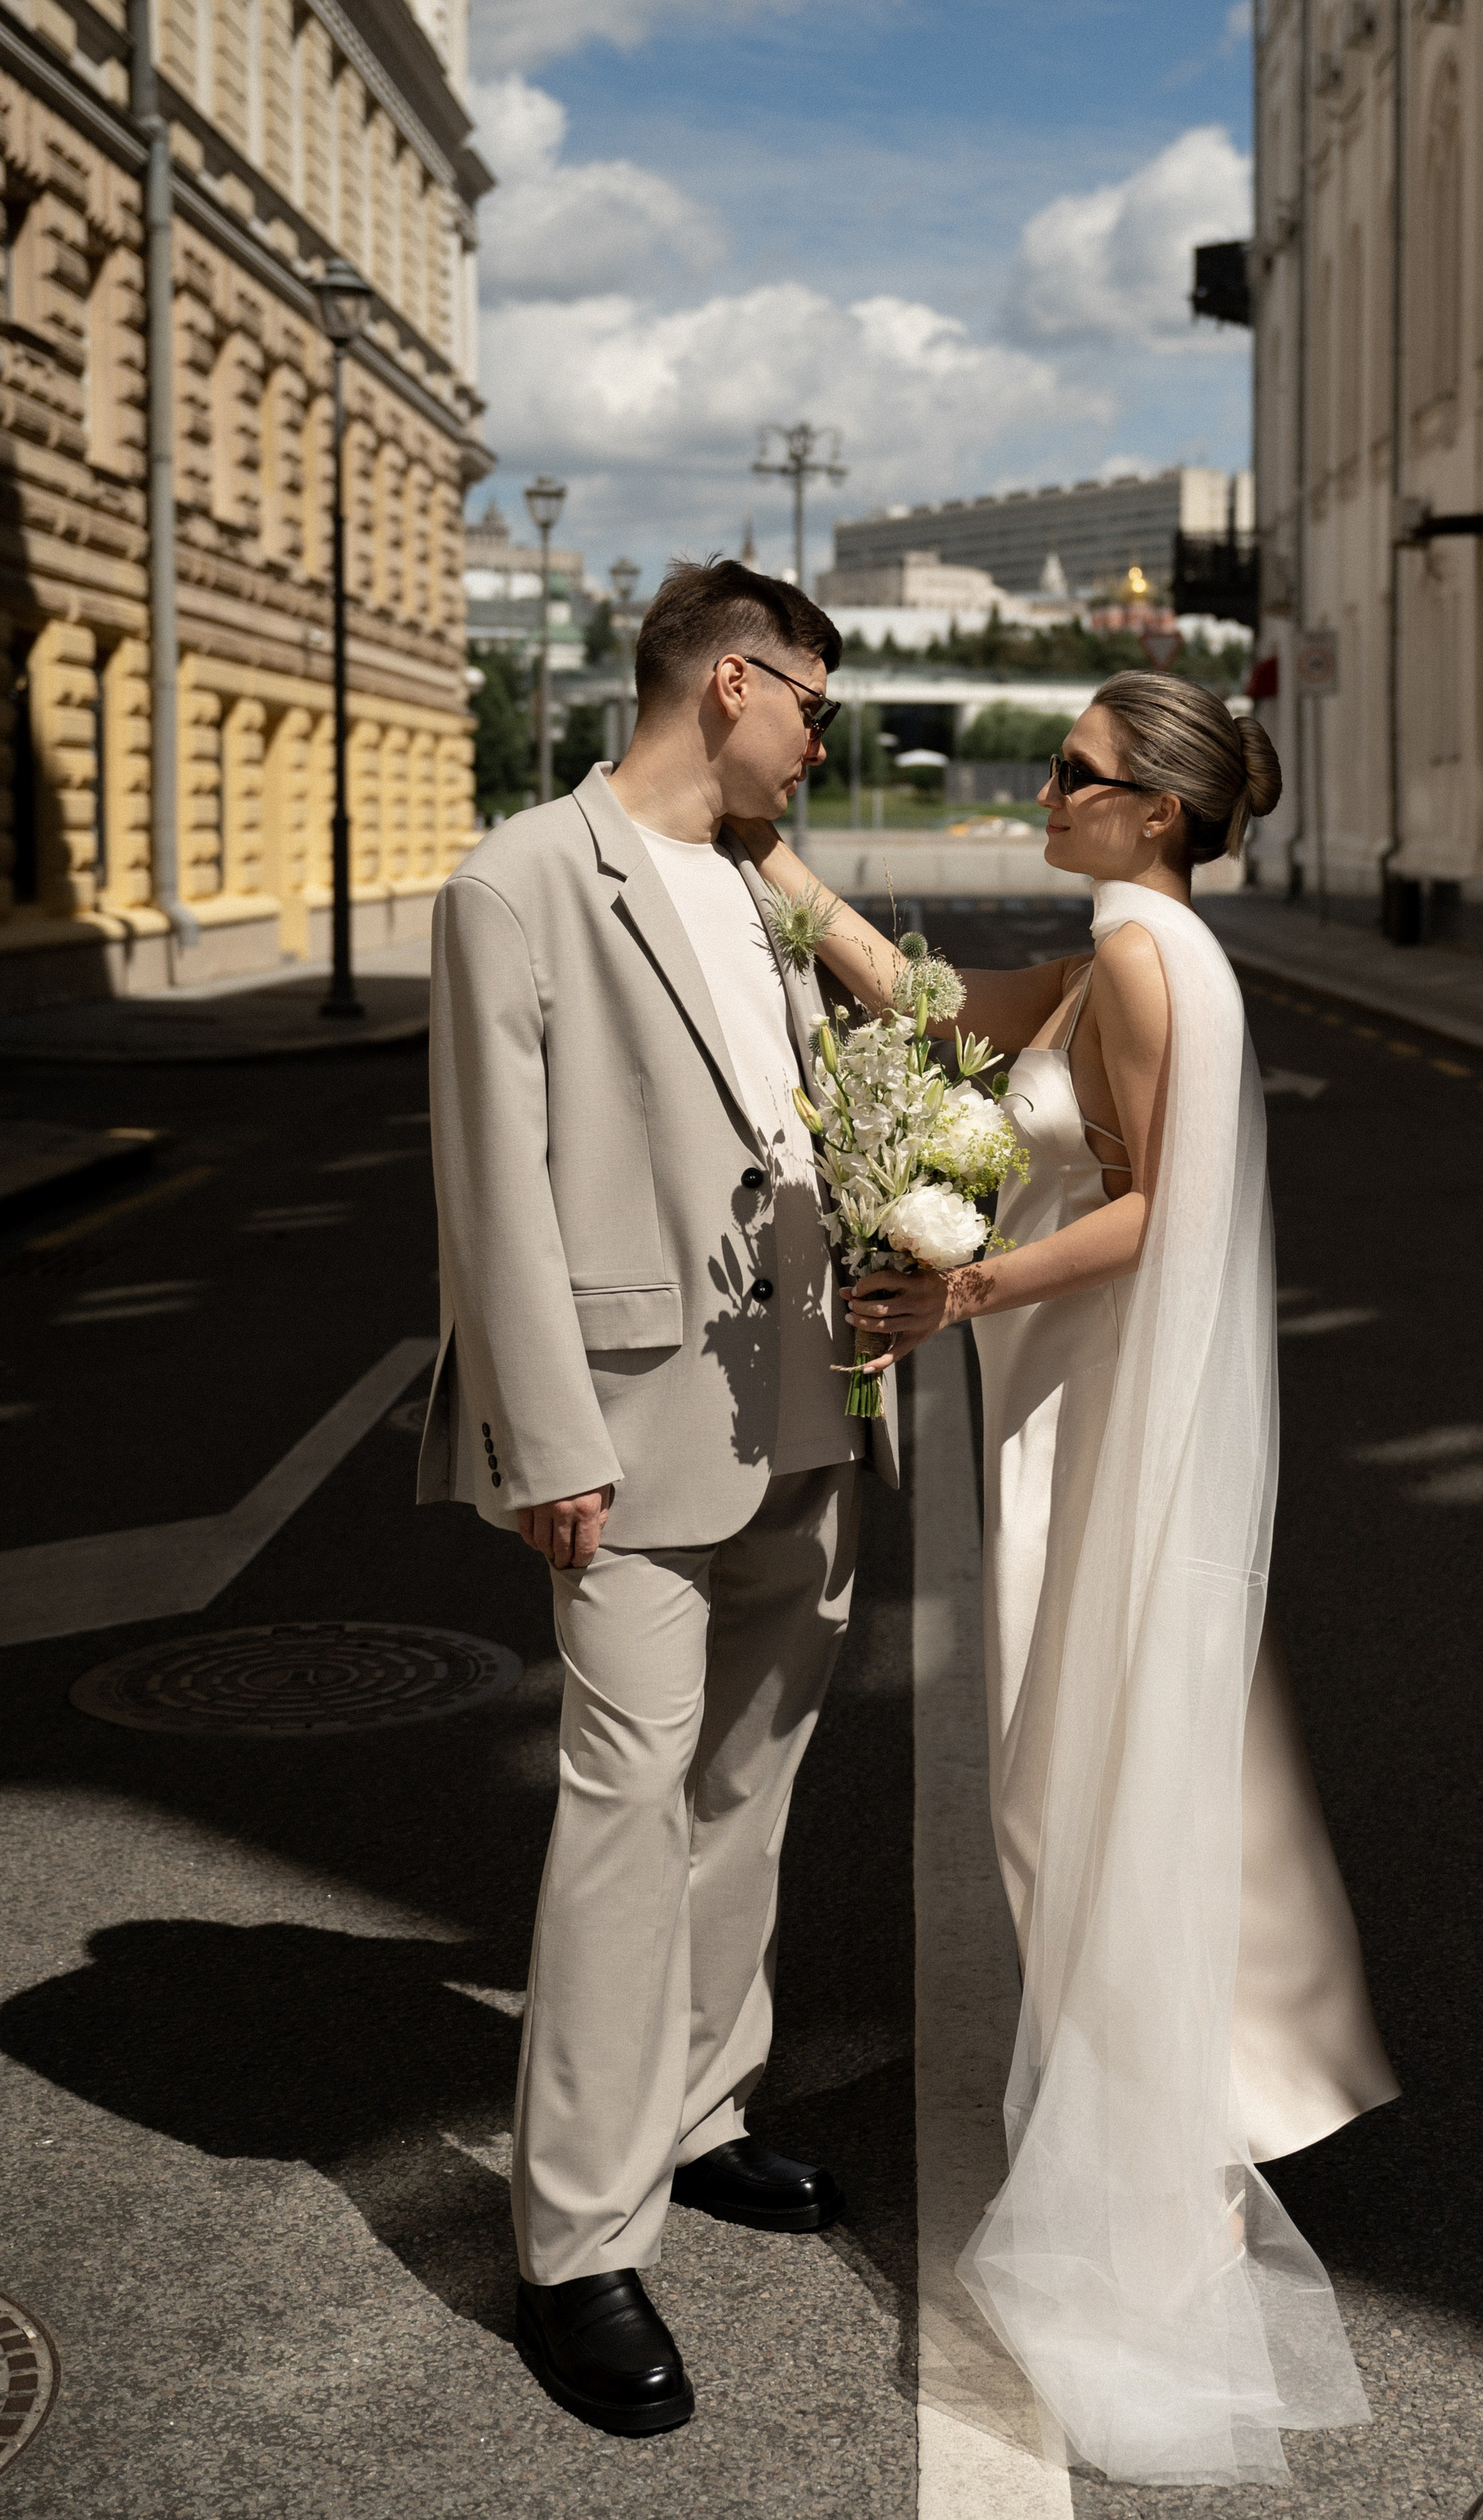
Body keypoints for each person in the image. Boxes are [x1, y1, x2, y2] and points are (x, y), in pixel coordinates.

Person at [728, 670, 1399, 2487]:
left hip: (1097, 1430)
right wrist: (780, 872)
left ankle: (1154, 2202)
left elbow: (1157, 1202)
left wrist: (958, 1292)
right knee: (1072, 1795)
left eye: (1077, 772)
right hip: (1065, 1426)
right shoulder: (1119, 945)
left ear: (1154, 811)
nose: (1047, 785)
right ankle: (1163, 2138)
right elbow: (947, 1027)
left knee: (1080, 1793)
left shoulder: (1159, 959)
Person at [418, 558, 896, 2438]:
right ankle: (576, 2244)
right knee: (627, 1805)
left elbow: (811, 1114)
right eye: (818, 708)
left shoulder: (761, 889)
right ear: (731, 684)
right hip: (624, 1412)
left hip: (799, 1373)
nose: (825, 740)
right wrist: (547, 1438)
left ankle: (702, 2115)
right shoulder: (521, 879)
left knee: (753, 1783)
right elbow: (494, 1181)